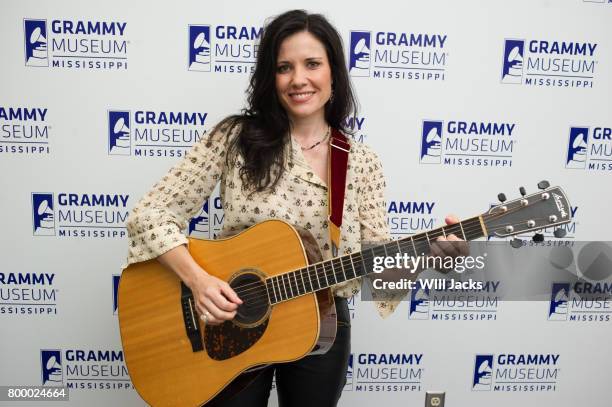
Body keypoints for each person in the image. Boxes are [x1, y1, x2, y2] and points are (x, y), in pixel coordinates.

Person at [125, 9, 465, 406]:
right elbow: (150, 214)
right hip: (229, 318)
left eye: (312, 64)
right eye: (284, 67)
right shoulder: (234, 138)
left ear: (333, 73)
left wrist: (431, 257)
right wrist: (199, 283)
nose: (298, 79)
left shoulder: (360, 160)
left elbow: (376, 263)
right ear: (271, 78)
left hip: (321, 324)